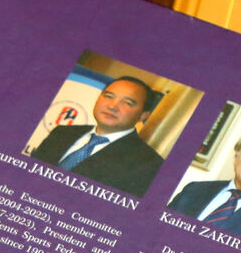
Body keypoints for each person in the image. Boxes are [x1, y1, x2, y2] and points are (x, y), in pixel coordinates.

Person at [28, 73, 167, 197]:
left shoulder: (149, 164)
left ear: (143, 115)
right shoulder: (62, 132)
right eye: (108, 96)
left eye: (127, 103)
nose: (112, 106)